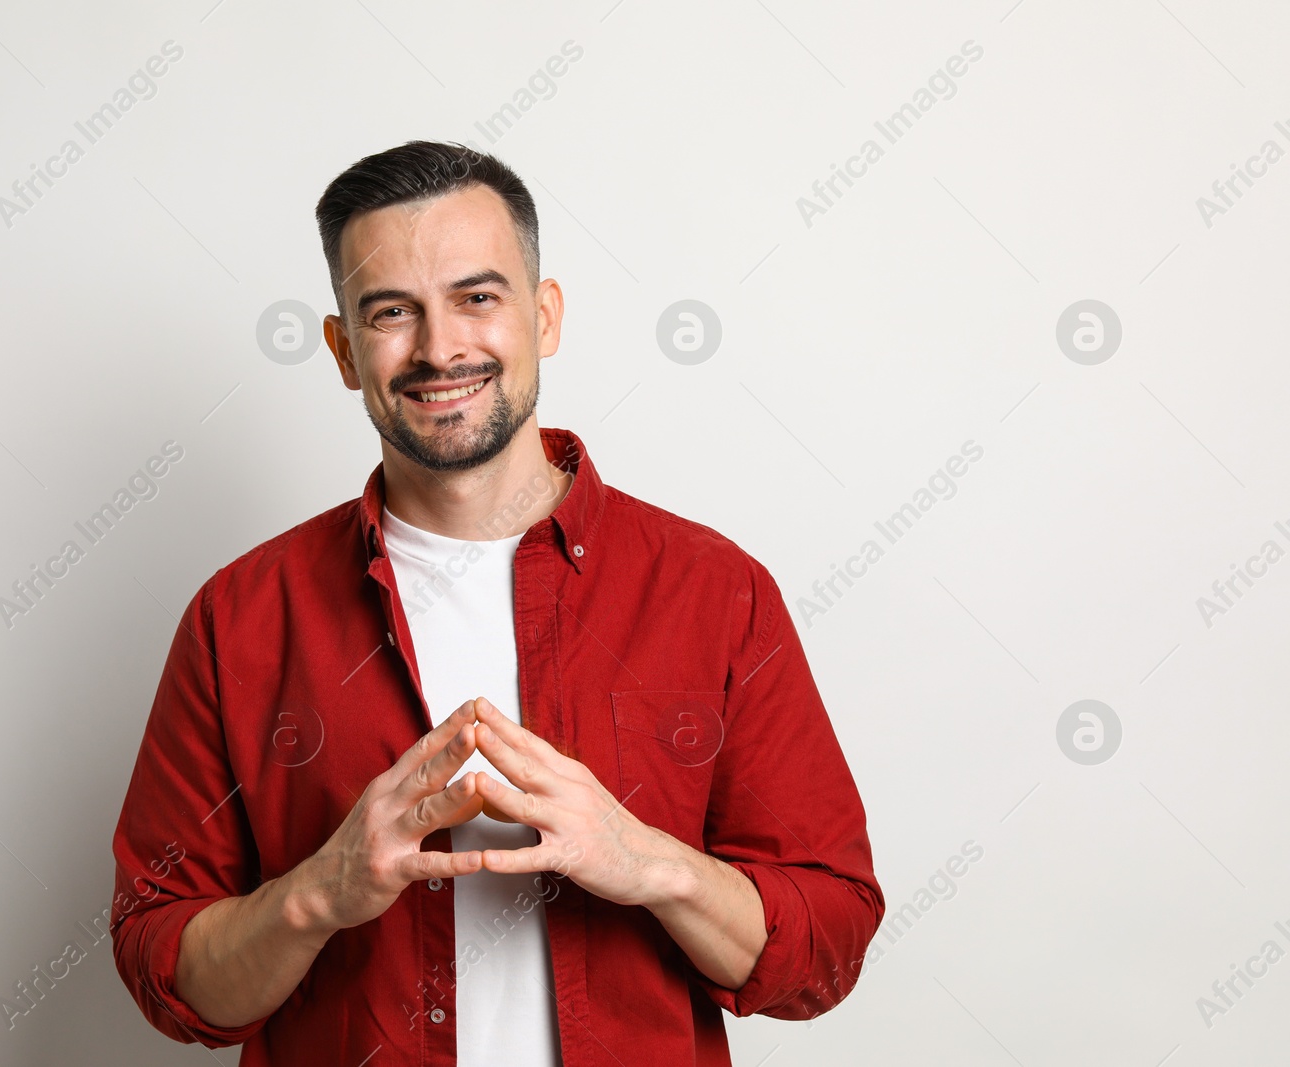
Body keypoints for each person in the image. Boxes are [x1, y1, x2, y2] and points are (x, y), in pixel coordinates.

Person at [109, 140, 883, 1065]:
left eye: (478, 297)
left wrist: (649, 864)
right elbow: (163, 966)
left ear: (544, 316)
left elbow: (825, 948)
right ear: (344, 351)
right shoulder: (238, 617)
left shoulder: (716, 591)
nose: (440, 348)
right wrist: (321, 890)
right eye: (392, 311)